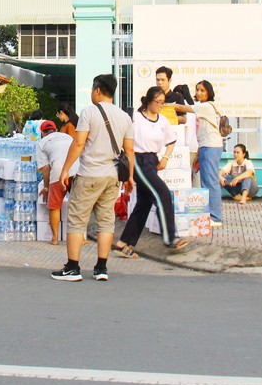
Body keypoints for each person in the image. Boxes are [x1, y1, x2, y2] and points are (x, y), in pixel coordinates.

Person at [51, 74, 134, 282]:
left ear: (97, 90)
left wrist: (65, 169)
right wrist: (130, 177)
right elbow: (130, 151)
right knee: (106, 222)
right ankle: (101, 268)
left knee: (77, 221)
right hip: (112, 177)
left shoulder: (89, 112)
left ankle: (72, 267)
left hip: (89, 175)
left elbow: (78, 144)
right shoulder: (125, 117)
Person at [113, 86, 188, 257]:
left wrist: (165, 158)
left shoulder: (162, 121)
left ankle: (124, 242)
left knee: (144, 204)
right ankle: (170, 238)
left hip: (153, 160)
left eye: (163, 103)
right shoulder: (136, 118)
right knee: (163, 194)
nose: (160, 106)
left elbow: (171, 141)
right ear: (149, 101)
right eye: (158, 102)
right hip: (137, 160)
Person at [173, 80, 224, 226]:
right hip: (207, 146)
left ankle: (215, 217)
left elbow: (183, 107)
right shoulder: (207, 106)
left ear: (209, 92)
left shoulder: (206, 106)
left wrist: (167, 105)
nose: (199, 93)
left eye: (202, 90)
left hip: (210, 146)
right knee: (206, 181)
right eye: (197, 90)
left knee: (210, 181)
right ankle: (211, 213)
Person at [36, 120, 78, 245]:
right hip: (76, 170)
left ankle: (54, 238)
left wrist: (46, 188)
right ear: (55, 130)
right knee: (78, 206)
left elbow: (46, 168)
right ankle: (82, 238)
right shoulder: (67, 137)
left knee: (54, 206)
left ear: (42, 133)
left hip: (58, 172)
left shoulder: (42, 143)